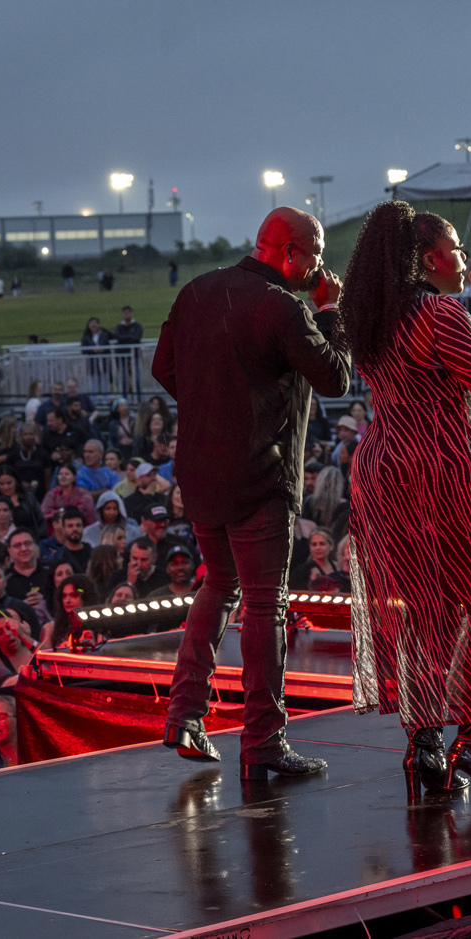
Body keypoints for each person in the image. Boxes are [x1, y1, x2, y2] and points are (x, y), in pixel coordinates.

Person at [338, 201, 471, 800]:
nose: (467, 260)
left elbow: (430, 367)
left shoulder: (372, 317)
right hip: (439, 468)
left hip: (384, 468)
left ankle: (424, 748)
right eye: (457, 249)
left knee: (424, 610)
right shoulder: (440, 313)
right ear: (428, 260)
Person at [154, 206, 351, 782]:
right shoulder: (282, 306)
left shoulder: (196, 291)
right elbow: (335, 377)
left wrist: (213, 404)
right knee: (266, 605)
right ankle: (264, 739)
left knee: (219, 584)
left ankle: (184, 715)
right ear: (289, 252)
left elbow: (164, 368)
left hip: (201, 473)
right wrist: (330, 311)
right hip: (261, 475)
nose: (319, 267)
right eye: (314, 254)